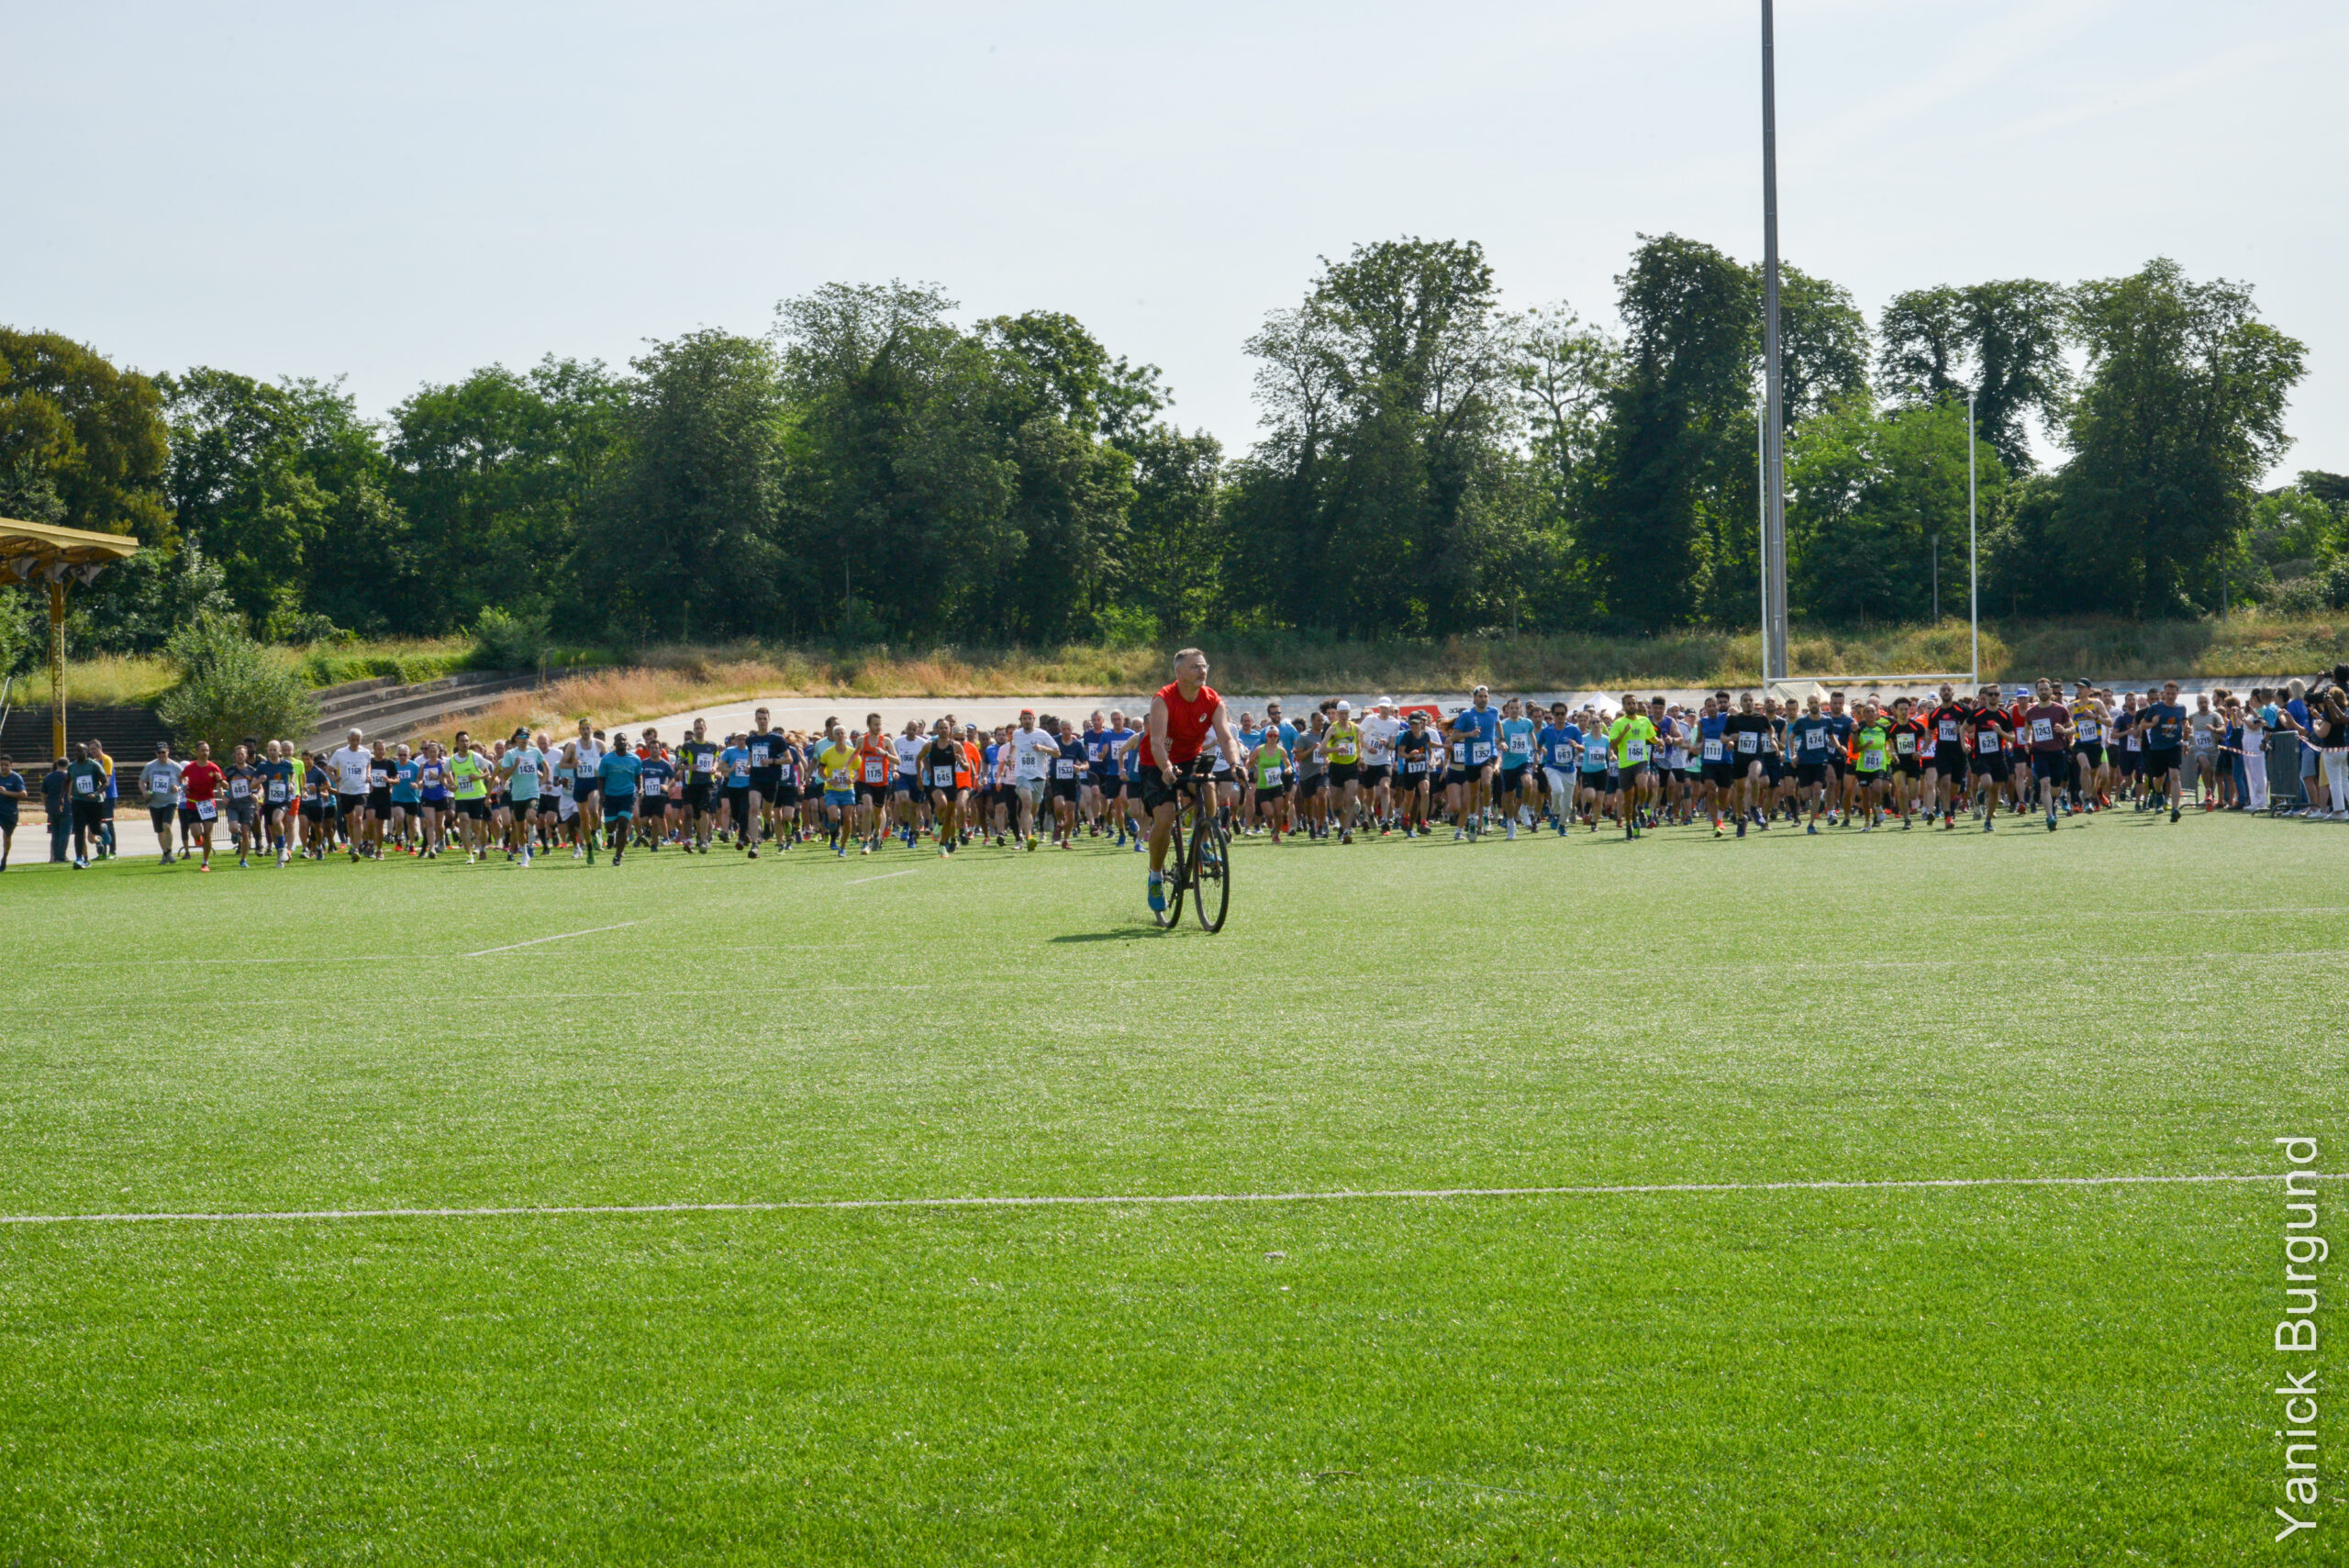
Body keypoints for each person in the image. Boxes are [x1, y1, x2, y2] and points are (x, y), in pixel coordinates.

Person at [1140, 648, 1242, 913]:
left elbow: (1226, 737)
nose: (1202, 671)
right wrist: (1165, 767)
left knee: (1208, 785)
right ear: (1179, 672)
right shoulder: (1163, 699)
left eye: (1204, 666)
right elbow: (1156, 741)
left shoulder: (1212, 699)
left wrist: (1235, 764)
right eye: (1195, 667)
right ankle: (1155, 877)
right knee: (1165, 816)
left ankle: (1203, 842)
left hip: (1190, 756)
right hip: (1156, 761)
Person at [177, 741, 227, 871]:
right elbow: (180, 777)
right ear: (197, 752)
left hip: (208, 804)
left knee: (208, 833)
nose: (205, 753)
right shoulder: (191, 767)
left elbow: (226, 786)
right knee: (196, 833)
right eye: (203, 750)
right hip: (193, 804)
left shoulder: (214, 768)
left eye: (207, 750)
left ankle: (205, 862)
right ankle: (198, 839)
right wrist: (184, 787)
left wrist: (220, 780)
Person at [594, 734, 640, 865]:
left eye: (624, 740)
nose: (621, 742)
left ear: (627, 742)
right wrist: (602, 794)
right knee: (610, 826)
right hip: (611, 795)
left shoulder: (635, 759)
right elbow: (601, 778)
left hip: (627, 795)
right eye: (619, 740)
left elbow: (638, 776)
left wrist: (640, 788)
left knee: (623, 823)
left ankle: (618, 856)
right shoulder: (607, 759)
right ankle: (610, 834)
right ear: (614, 743)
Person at [139, 741, 183, 865]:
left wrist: (178, 787)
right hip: (154, 802)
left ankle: (169, 852)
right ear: (156, 753)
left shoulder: (175, 766)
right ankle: (165, 854)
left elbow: (184, 779)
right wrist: (144, 792)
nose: (162, 755)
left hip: (170, 800)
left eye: (164, 752)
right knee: (160, 831)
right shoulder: (150, 766)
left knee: (167, 826)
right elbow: (142, 781)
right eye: (159, 752)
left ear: (168, 752)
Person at [66, 742, 107, 867]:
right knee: (79, 831)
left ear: (86, 752)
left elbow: (105, 783)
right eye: (76, 751)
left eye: (81, 751)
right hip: (78, 801)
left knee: (95, 829)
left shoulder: (94, 765)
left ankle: (102, 830)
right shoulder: (72, 767)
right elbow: (67, 782)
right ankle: (80, 858)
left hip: (94, 803)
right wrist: (61, 798)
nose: (78, 754)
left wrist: (96, 793)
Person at [0, 755, 24, 870]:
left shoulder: (16, 778)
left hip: (9, 812)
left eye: (6, 765)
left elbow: (24, 794)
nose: (3, 768)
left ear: (11, 766)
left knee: (7, 836)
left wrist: (7, 793)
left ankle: (4, 857)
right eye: (1, 765)